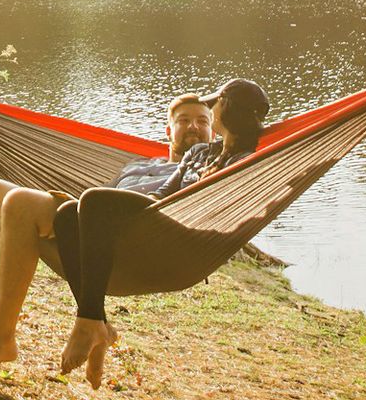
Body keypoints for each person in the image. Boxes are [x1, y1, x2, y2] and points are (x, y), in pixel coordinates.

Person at [0, 93, 214, 375]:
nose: (193, 127)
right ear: (167, 130)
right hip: (87, 228)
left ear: (214, 132)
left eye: (203, 121)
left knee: (20, 204)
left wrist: (210, 168)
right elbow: (99, 198)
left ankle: (1, 338)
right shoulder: (137, 165)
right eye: (184, 120)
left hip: (135, 248)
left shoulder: (206, 170)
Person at [54, 78, 270, 388]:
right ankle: (95, 321)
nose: (211, 111)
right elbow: (168, 189)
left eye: (216, 105)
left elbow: (244, 200)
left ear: (229, 111)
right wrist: (138, 207)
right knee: (66, 216)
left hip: (183, 234)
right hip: (162, 214)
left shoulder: (245, 161)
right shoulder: (200, 152)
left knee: (93, 199)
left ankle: (87, 322)